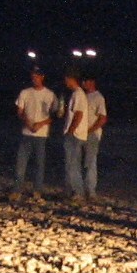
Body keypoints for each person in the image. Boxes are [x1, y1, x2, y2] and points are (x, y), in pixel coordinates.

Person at [13, 68, 56, 195]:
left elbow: (54, 115)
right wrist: (27, 122)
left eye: (37, 76)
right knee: (21, 163)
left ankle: (37, 190)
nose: (34, 79)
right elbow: (20, 112)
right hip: (26, 133)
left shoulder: (50, 94)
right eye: (33, 77)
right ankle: (17, 189)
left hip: (41, 134)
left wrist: (40, 124)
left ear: (42, 77)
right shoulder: (25, 93)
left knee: (39, 164)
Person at [59, 71, 89, 200]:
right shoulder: (75, 94)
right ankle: (70, 191)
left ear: (71, 79)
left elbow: (79, 114)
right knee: (71, 163)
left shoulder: (78, 94)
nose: (65, 82)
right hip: (75, 133)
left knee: (73, 164)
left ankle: (78, 191)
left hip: (75, 134)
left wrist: (71, 130)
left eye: (67, 79)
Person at [80, 74, 107, 199]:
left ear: (91, 82)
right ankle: (81, 188)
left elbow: (102, 118)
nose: (83, 84)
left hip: (92, 134)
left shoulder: (98, 97)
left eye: (85, 81)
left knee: (90, 162)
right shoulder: (83, 96)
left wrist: (89, 130)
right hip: (81, 133)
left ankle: (91, 190)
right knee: (81, 161)